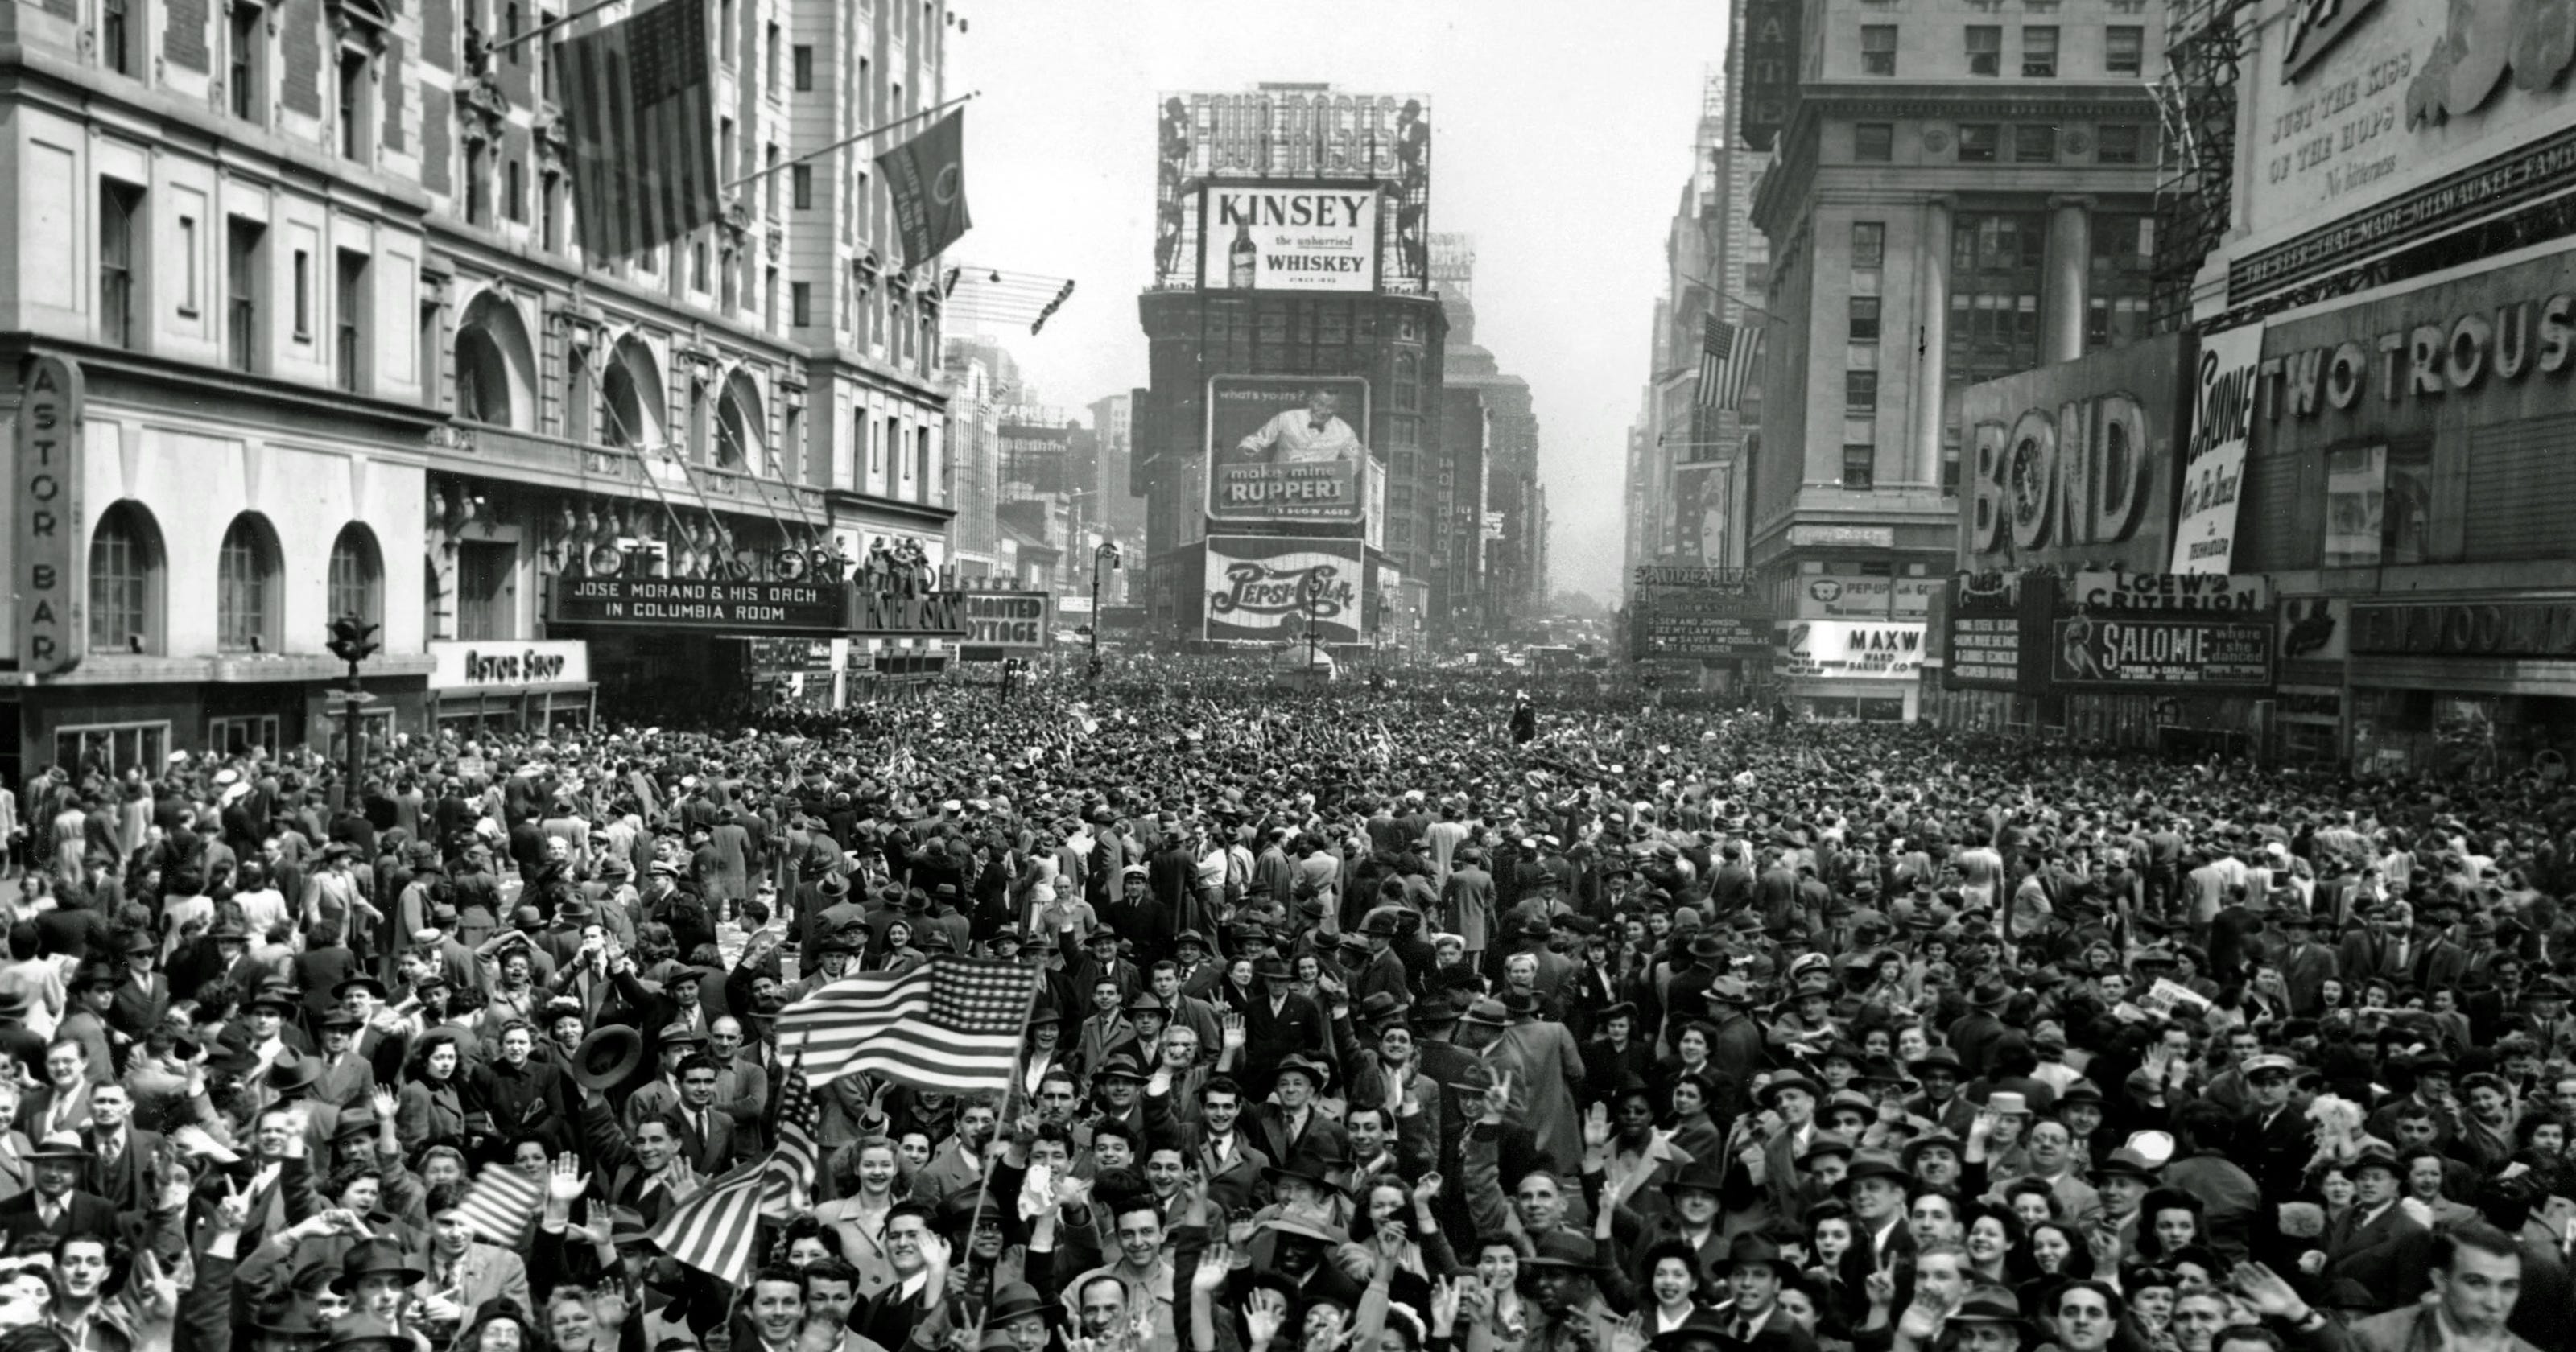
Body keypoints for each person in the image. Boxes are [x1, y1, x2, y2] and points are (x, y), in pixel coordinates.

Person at [1235, 387, 1362, 465]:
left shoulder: (1345, 431)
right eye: (1319, 404)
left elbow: (1358, 457)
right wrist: (1247, 450)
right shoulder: (1286, 418)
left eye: (1330, 407)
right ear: (1311, 401)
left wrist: (1340, 476)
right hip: (1281, 488)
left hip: (1321, 495)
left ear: (1337, 408)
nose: (1323, 411)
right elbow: (1257, 440)